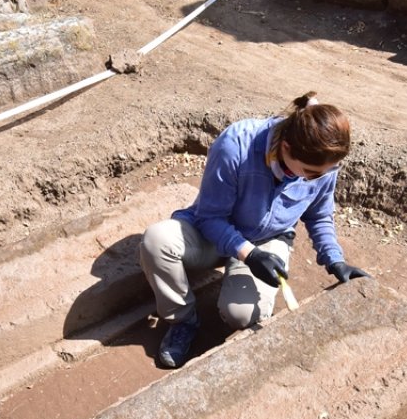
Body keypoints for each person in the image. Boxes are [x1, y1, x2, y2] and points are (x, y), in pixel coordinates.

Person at [139, 92, 370, 368]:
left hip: (267, 238)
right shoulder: (236, 145)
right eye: (311, 172)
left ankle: (234, 287)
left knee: (242, 315)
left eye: (325, 172)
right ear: (286, 148)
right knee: (157, 241)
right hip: (214, 231)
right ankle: (182, 321)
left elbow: (319, 215)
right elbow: (210, 217)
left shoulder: (322, 164)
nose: (318, 178)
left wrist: (335, 260)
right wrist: (248, 254)